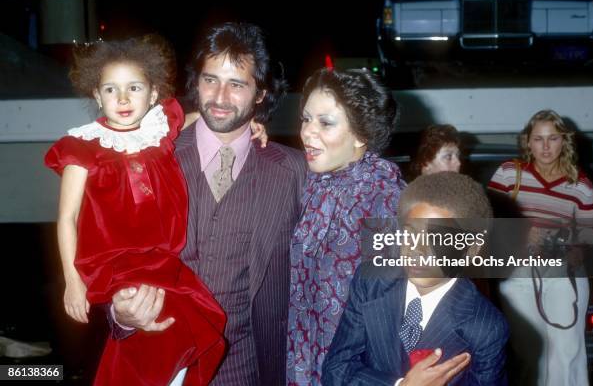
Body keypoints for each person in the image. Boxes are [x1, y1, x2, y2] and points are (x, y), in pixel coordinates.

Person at [111, 22, 307, 386]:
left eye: (237, 84)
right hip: (161, 362)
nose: (219, 97)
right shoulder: (150, 160)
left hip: (249, 369)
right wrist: (120, 314)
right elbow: (111, 252)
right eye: (210, 80)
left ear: (261, 93)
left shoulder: (293, 172)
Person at [44, 35, 227, 385]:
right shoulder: (82, 146)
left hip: (160, 258)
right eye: (111, 89)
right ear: (97, 95)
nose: (123, 98)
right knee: (157, 326)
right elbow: (67, 218)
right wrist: (72, 281)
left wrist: (248, 126)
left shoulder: (158, 130)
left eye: (134, 88)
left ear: (154, 94)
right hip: (113, 262)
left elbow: (197, 118)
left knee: (191, 321)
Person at [322, 172, 509, 386]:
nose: (417, 250)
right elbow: (335, 369)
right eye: (410, 234)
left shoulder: (485, 327)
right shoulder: (372, 283)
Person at [287, 68, 406, 385]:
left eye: (325, 123)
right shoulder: (311, 182)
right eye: (306, 118)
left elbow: (401, 315)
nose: (307, 133)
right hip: (304, 365)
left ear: (361, 134)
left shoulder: (386, 202)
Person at [488, 109, 593, 386]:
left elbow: (589, 231)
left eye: (553, 138)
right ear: (528, 142)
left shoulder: (580, 184)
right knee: (530, 351)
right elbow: (487, 216)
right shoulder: (510, 173)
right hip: (518, 273)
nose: (546, 147)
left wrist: (577, 249)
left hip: (563, 273)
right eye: (539, 139)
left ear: (564, 141)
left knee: (567, 350)